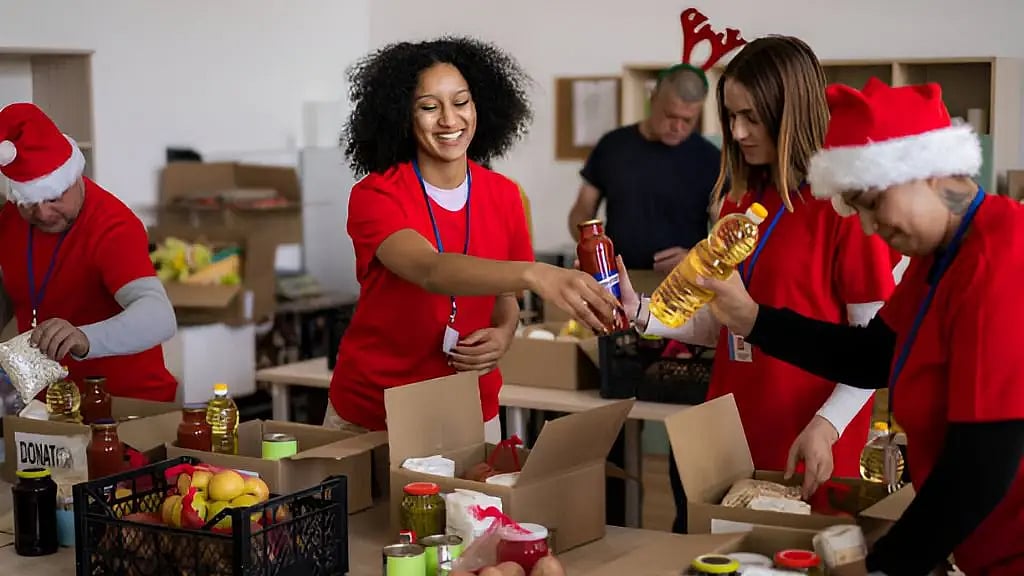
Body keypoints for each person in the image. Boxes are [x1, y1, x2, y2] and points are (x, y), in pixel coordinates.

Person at [698, 77, 1024, 575]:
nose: (869, 227)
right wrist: (753, 319)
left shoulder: (999, 259)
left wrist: (885, 565)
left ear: (927, 174)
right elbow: (874, 354)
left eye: (871, 203)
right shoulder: (941, 258)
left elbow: (982, 465)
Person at [621, 35, 901, 532]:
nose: (738, 131)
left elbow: (873, 351)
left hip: (807, 443)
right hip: (727, 436)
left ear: (790, 111)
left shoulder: (843, 209)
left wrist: (827, 425)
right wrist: (642, 312)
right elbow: (722, 325)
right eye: (730, 117)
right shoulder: (739, 203)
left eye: (752, 116)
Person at [327, 37, 621, 441]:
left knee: (474, 506)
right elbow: (430, 270)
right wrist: (537, 274)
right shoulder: (376, 195)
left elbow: (506, 299)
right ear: (402, 116)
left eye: (461, 102)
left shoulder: (505, 195)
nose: (450, 120)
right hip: (376, 409)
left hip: (469, 407)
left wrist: (502, 333)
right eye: (429, 107)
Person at [0, 102, 178, 401]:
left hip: (123, 403)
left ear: (73, 176)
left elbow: (159, 317)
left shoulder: (113, 226)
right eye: (29, 202)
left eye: (54, 198)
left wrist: (84, 337)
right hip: (49, 404)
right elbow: (13, 289)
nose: (43, 213)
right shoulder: (10, 220)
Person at [567, 63, 721, 274]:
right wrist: (592, 248)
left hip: (683, 284)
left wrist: (697, 259)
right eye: (670, 116)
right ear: (653, 98)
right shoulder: (613, 145)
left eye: (687, 120)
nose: (677, 127)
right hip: (618, 278)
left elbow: (725, 236)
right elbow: (582, 208)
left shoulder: (711, 159)